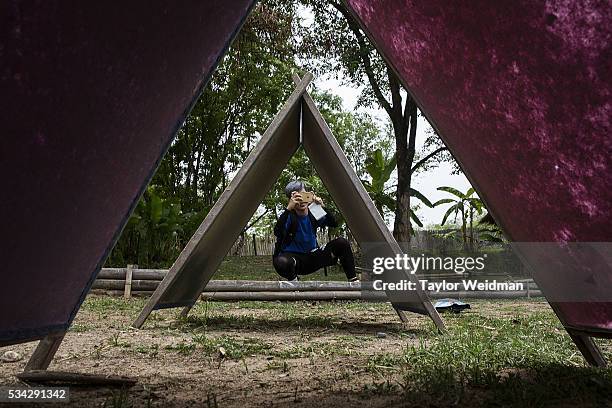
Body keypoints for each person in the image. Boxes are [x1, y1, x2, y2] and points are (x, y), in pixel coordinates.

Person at [272, 180, 358, 282]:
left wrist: (322, 206)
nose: (302, 201)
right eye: (298, 197)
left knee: (342, 243)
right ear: (291, 199)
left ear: (309, 195)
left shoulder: (314, 211)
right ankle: (294, 282)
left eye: (304, 195)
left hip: (313, 257)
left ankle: (353, 281)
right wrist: (288, 208)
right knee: (282, 261)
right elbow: (278, 232)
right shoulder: (289, 215)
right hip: (293, 260)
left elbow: (333, 223)